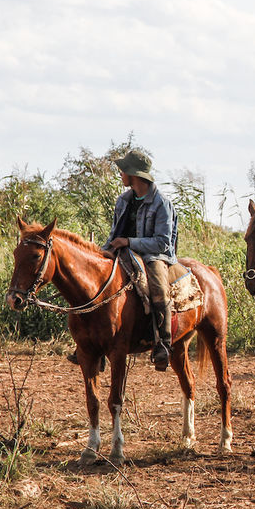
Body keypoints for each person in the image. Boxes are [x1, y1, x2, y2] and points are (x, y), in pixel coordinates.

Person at [97, 149, 178, 371]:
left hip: (154, 255)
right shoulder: (123, 200)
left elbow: (162, 243)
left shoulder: (161, 203)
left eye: (123, 170)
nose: (120, 174)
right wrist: (104, 250)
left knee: (159, 287)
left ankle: (163, 343)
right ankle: (95, 345)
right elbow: (115, 234)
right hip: (122, 248)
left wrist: (129, 242)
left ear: (133, 174)